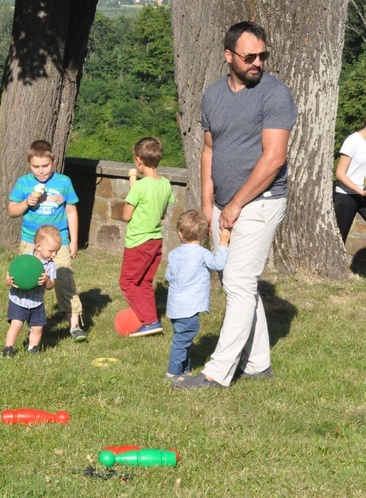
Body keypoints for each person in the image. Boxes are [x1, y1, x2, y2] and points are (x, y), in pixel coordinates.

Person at [173, 21, 298, 390]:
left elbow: (274, 158)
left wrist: (237, 204)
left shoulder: (275, 94)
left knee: (239, 282)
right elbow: (209, 150)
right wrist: (209, 206)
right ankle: (258, 363)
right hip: (223, 204)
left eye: (263, 55)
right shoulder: (213, 96)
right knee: (236, 281)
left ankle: (216, 372)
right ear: (229, 56)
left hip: (262, 202)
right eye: (249, 56)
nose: (258, 62)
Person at [8, 140, 86, 342]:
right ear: (28, 164)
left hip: (59, 242)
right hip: (31, 243)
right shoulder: (24, 183)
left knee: (65, 282)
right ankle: (29, 324)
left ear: (54, 161)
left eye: (45, 166)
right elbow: (11, 211)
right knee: (29, 282)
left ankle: (75, 325)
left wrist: (74, 240)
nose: (41, 171)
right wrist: (27, 203)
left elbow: (71, 210)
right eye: (36, 166)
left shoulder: (63, 182)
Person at [165, 210, 230, 383]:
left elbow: (168, 277)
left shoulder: (173, 254)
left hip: (174, 307)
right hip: (189, 307)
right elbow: (218, 263)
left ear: (180, 233)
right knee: (182, 341)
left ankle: (184, 370)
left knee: (183, 338)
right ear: (204, 234)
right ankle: (173, 373)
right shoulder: (202, 254)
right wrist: (224, 242)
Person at [119, 137, 174, 337]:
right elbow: (162, 214)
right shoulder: (166, 184)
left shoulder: (140, 187)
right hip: (155, 240)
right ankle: (151, 320)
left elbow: (126, 215)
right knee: (144, 282)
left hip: (138, 242)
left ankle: (149, 321)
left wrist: (131, 194)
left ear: (139, 160)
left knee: (128, 282)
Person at [2, 225, 61, 358]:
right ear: (38, 246)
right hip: (18, 300)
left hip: (37, 303)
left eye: (56, 251)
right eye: (51, 251)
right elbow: (10, 278)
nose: (54, 254)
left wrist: (47, 281)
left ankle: (32, 347)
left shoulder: (51, 265)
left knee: (38, 327)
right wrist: (8, 281)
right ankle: (8, 347)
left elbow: (51, 285)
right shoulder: (24, 261)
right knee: (16, 324)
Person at [333, 118, 366, 243]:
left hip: (363, 194)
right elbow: (340, 174)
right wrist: (359, 191)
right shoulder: (353, 141)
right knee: (339, 239)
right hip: (346, 195)